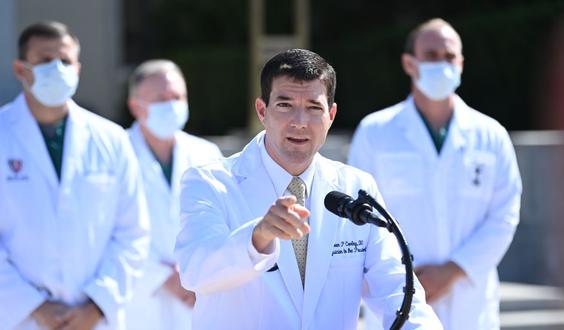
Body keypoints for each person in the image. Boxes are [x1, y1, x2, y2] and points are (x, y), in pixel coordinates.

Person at [174, 48, 441, 329]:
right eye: (285, 105)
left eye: (314, 108)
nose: (299, 122)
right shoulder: (210, 182)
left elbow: (395, 288)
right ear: (262, 111)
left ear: (331, 115)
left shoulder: (356, 187)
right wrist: (258, 237)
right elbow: (195, 270)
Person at [348, 18, 522, 330]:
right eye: (431, 55)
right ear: (409, 63)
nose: (441, 64)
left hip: (470, 300)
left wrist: (454, 269)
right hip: (396, 294)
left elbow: (505, 214)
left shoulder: (491, 135)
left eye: (449, 56)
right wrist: (405, 275)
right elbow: (361, 217)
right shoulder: (376, 132)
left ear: (462, 63)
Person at [0, 21, 150, 329]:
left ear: (78, 69)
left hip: (93, 319)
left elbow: (132, 233)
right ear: (21, 70)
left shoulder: (112, 139)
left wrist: (97, 305)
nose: (57, 69)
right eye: (45, 61)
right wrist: (36, 308)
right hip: (16, 319)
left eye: (65, 61)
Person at [124, 59, 222, 329]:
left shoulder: (207, 154)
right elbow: (103, 228)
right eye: (160, 99)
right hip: (138, 298)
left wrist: (196, 272)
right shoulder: (114, 153)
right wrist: (161, 276)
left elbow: (221, 222)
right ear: (135, 106)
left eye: (177, 97)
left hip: (197, 295)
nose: (171, 105)